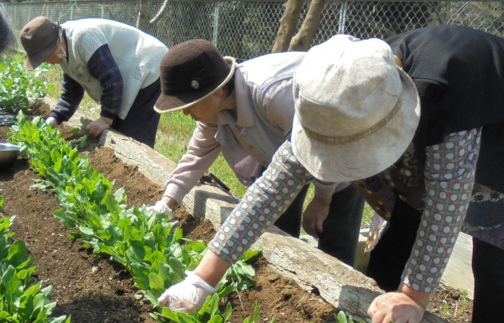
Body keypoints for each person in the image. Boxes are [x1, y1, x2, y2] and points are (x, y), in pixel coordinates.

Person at [158, 25, 504, 323]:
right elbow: (271, 189)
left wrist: (414, 297)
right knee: (391, 254)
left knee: (502, 264)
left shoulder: (443, 89)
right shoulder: (334, 91)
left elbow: (448, 199)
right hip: (442, 129)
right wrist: (202, 279)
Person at [149, 40, 365, 265]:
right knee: (277, 228)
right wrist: (167, 203)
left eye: (187, 104)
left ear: (216, 92)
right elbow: (196, 156)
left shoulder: (273, 95)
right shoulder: (213, 111)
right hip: (286, 152)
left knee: (333, 234)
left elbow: (322, 143)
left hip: (340, 142)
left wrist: (322, 199)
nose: (184, 112)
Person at [20, 16, 168, 147]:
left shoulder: (83, 38)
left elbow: (112, 80)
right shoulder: (63, 53)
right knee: (116, 129)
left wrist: (105, 119)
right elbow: (71, 94)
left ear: (54, 47)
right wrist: (53, 119)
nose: (44, 61)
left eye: (43, 57)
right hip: (127, 74)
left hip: (149, 65)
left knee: (134, 136)